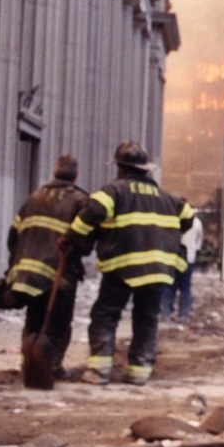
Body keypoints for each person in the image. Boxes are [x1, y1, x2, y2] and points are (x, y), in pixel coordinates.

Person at [62, 141, 194, 385]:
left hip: (122, 266)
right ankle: (139, 371)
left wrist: (71, 241)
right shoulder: (169, 198)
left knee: (105, 314)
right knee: (146, 318)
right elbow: (188, 217)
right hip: (158, 269)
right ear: (146, 169)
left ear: (121, 168)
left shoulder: (113, 192)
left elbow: (89, 216)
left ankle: (100, 371)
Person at [4, 154, 89, 383]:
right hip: (59, 274)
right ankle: (52, 365)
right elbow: (84, 240)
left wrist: (17, 262)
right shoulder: (80, 200)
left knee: (34, 319)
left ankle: (30, 362)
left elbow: (13, 235)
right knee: (60, 322)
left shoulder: (34, 197)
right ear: (75, 175)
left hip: (29, 274)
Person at [162, 212, 204, 322]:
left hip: (173, 259)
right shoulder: (197, 222)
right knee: (185, 287)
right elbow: (199, 242)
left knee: (170, 286)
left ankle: (166, 312)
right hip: (189, 259)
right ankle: (184, 313)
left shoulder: (173, 220)